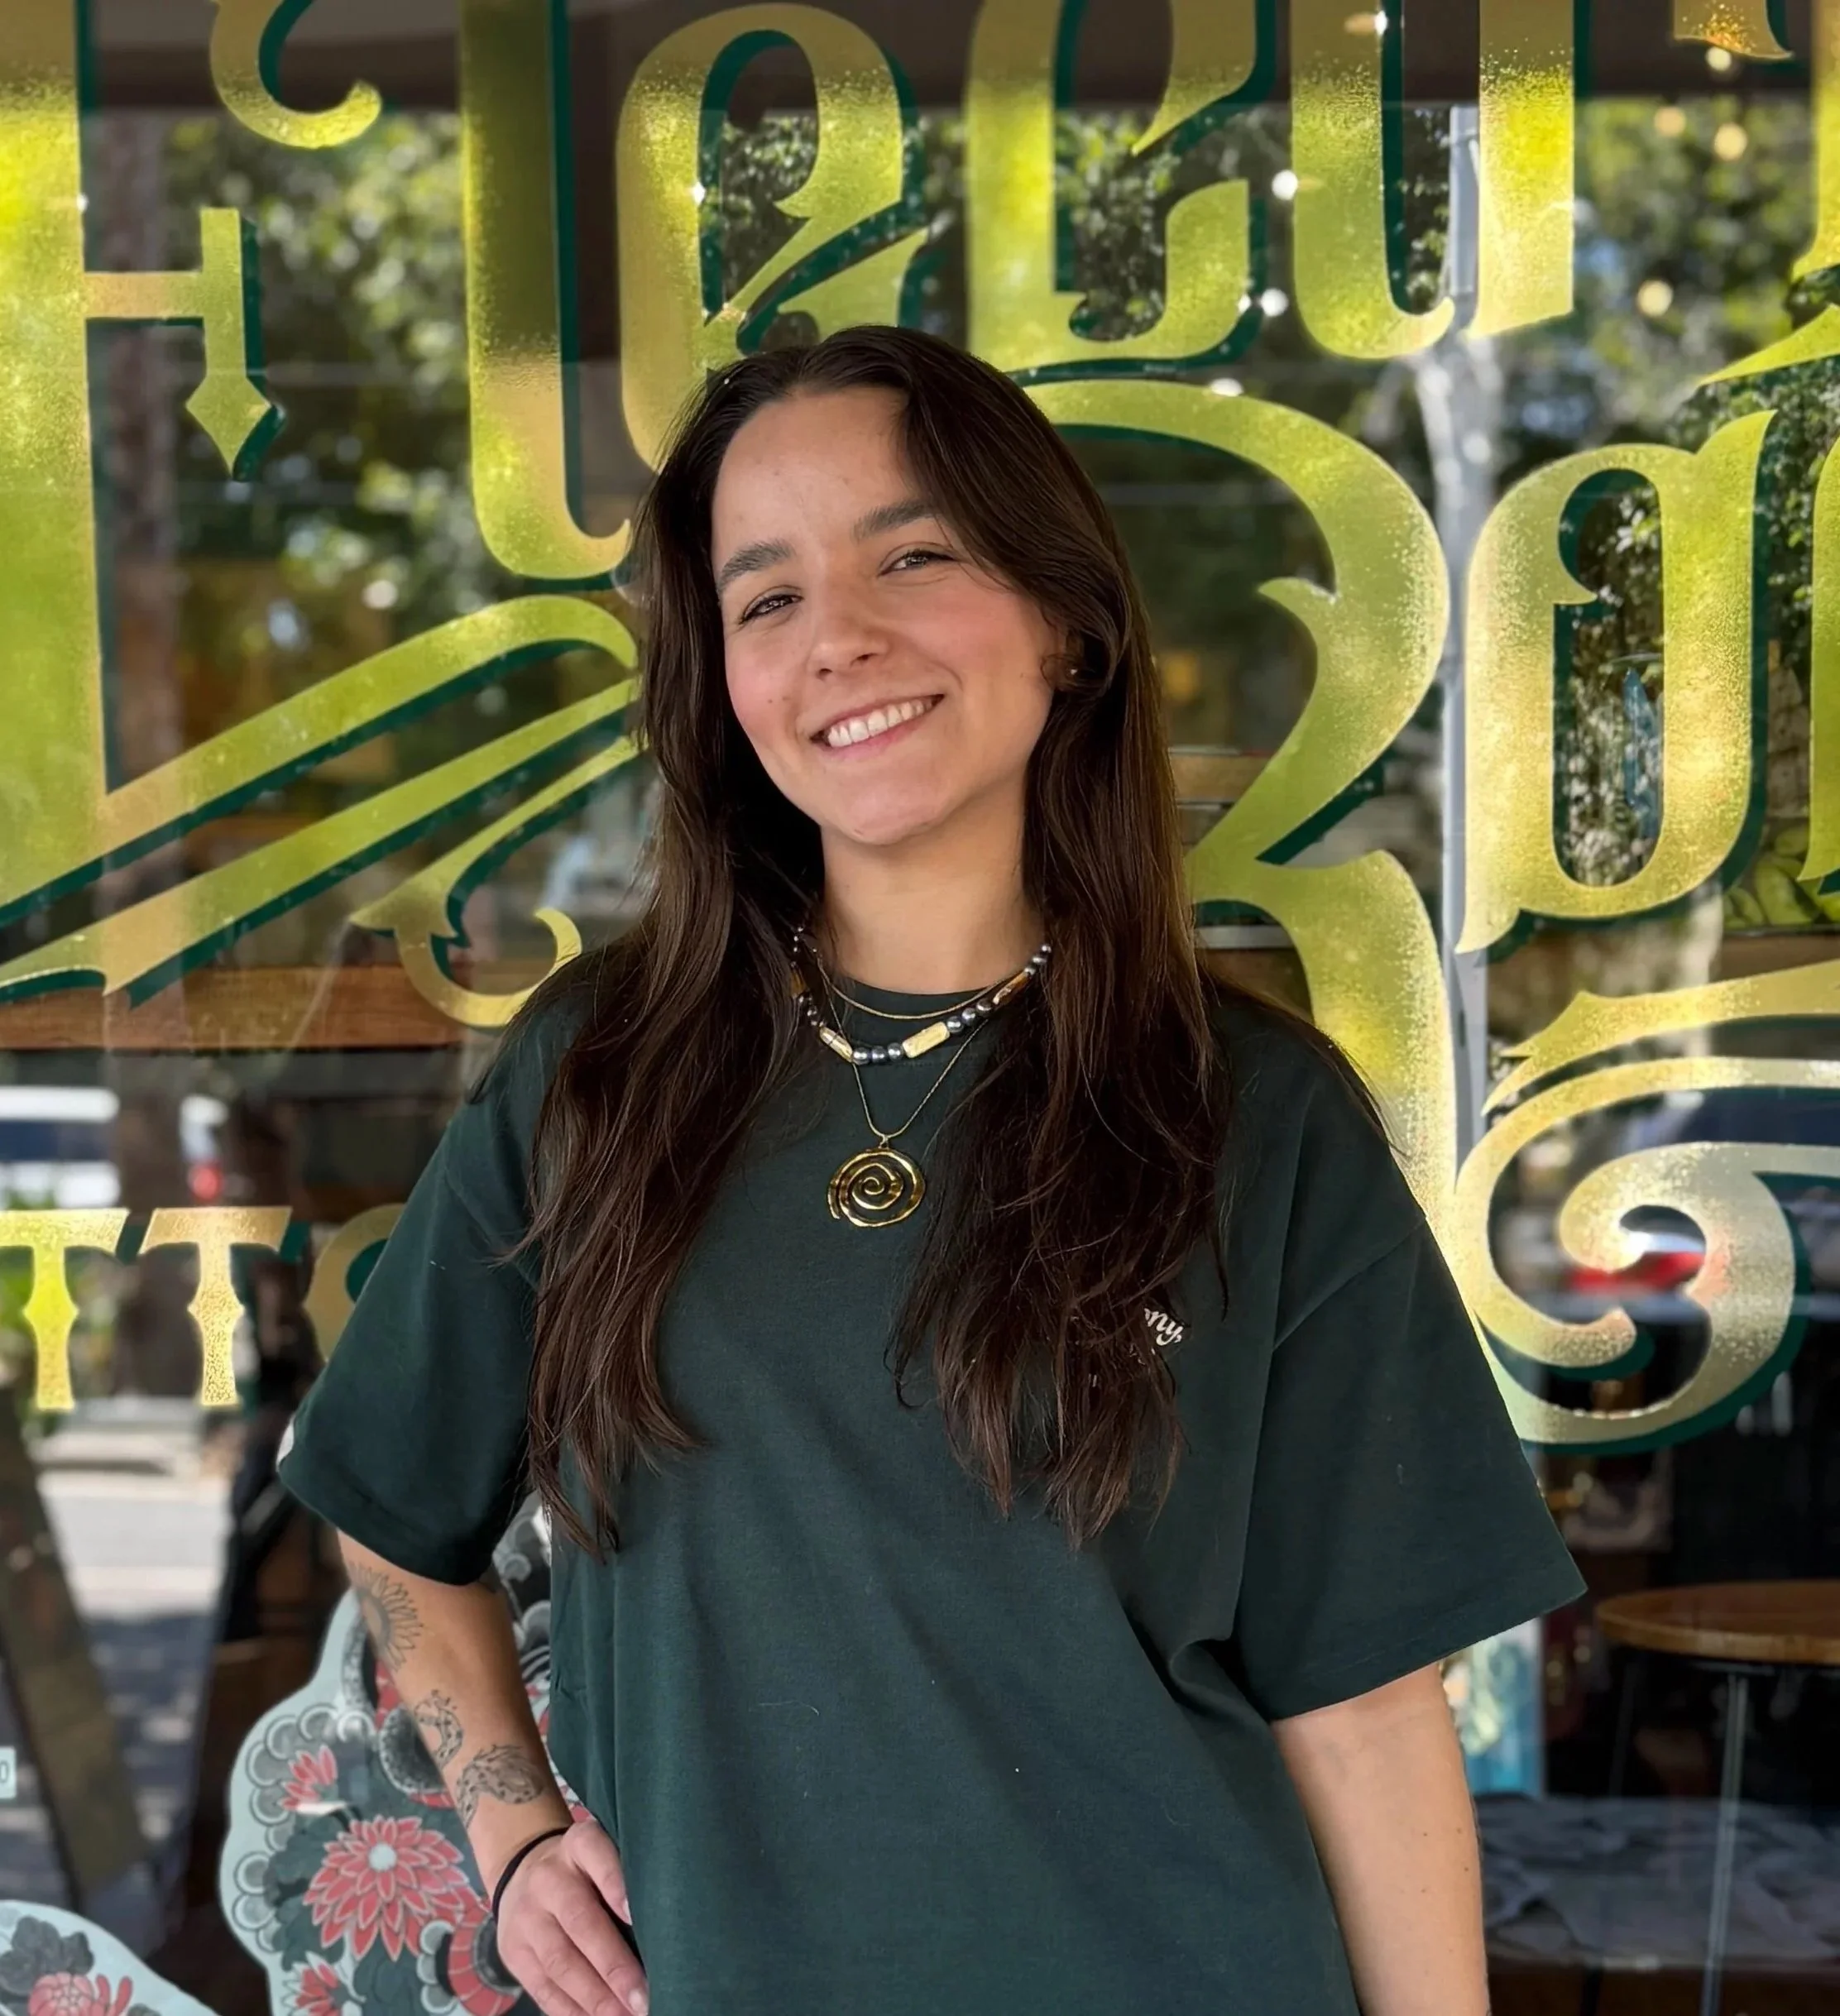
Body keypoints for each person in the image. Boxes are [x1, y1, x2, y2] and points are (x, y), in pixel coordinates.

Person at [277, 324, 1584, 2016]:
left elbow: (1360, 1709)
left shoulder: (1251, 1115)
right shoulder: (596, 1077)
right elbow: (390, 1513)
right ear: (723, 686)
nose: (840, 639)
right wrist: (513, 1829)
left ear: (1065, 626)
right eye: (765, 599)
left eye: (911, 555)